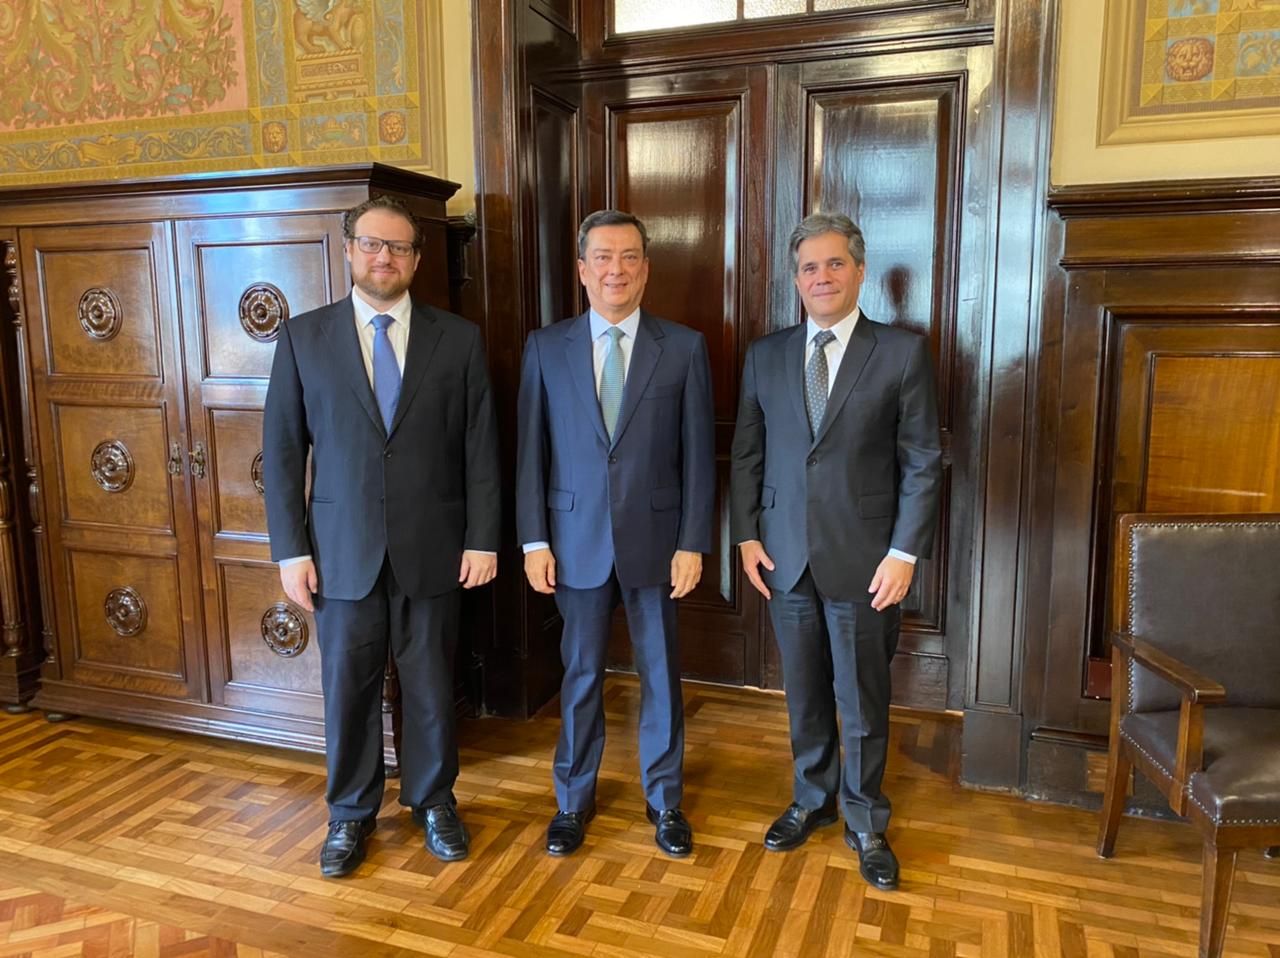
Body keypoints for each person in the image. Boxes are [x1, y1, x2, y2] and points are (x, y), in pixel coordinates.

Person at [263, 195, 500, 878]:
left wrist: (483, 538)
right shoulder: (303, 338)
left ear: (417, 259)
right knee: (349, 689)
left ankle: (433, 800)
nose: (384, 257)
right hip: (341, 552)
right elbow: (283, 453)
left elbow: (481, 448)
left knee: (430, 685)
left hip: (435, 547)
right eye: (372, 244)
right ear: (349, 250)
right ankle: (350, 813)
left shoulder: (459, 340)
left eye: (398, 247)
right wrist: (291, 551)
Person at [729, 212, 942, 890]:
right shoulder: (765, 355)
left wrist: (904, 553)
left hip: (866, 559)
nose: (821, 276)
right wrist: (746, 535)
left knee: (862, 696)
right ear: (796, 280)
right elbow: (747, 453)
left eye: (834, 264)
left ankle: (866, 819)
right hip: (784, 557)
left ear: (859, 270)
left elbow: (922, 461)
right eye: (808, 267)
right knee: (804, 692)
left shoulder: (900, 353)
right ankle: (813, 798)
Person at [516, 210, 715, 859]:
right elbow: (531, 452)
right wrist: (534, 541)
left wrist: (693, 542)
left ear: (646, 269)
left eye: (629, 257)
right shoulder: (545, 347)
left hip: (656, 542)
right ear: (582, 269)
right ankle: (572, 801)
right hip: (572, 540)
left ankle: (665, 800)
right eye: (602, 257)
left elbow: (697, 455)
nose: (616, 270)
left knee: (660, 674)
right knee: (579, 675)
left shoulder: (682, 346)